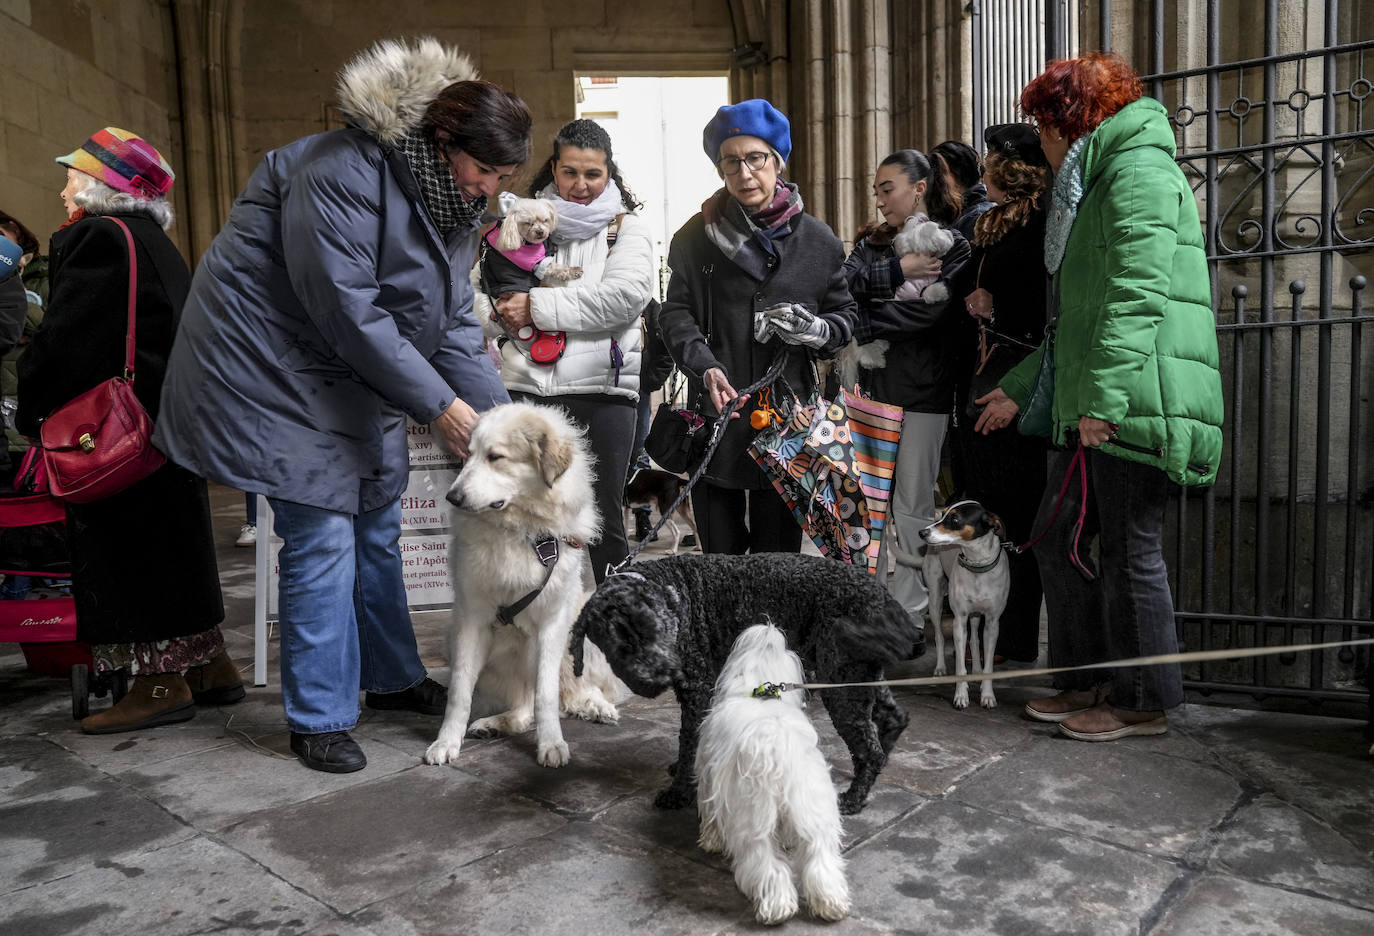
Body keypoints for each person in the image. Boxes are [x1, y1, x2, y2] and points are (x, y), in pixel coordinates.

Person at [155, 38, 528, 773]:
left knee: (376, 522)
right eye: (483, 170)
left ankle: (389, 678)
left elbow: (452, 319)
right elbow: (346, 310)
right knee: (323, 533)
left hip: (351, 369)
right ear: (441, 139)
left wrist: (500, 422)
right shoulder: (338, 171)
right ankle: (320, 714)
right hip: (270, 365)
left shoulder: (453, 197)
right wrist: (441, 409)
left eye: (502, 177)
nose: (488, 188)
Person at [976, 52, 1223, 740]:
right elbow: (1078, 321)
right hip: (1102, 397)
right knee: (1058, 539)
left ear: (1071, 121)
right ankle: (1086, 680)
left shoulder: (1138, 172)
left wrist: (1105, 402)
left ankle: (1141, 701)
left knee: (1127, 549)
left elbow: (1135, 298)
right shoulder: (1101, 176)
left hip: (1137, 401)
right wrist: (1022, 391)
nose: (1040, 140)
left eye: (1043, 124)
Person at [15, 127, 241, 733]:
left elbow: (70, 340)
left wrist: (30, 405)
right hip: (163, 424)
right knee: (175, 545)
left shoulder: (96, 236)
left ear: (102, 187)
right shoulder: (153, 240)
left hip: (116, 433)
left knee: (131, 555)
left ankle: (159, 683)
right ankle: (211, 666)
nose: (64, 189)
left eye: (73, 175)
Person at [658, 99, 858, 555]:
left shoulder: (819, 240)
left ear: (777, 161)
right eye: (732, 162)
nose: (745, 173)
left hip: (787, 421)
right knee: (720, 562)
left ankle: (775, 632)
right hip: (717, 413)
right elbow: (675, 314)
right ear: (721, 168)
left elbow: (845, 316)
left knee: (779, 561)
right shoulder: (695, 237)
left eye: (755, 158)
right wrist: (704, 367)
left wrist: (816, 330)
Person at [476, 118, 655, 582]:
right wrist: (499, 314)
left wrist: (533, 306)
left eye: (592, 174)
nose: (580, 185)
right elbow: (473, 297)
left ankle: (620, 631)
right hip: (526, 390)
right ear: (553, 169)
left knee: (603, 524)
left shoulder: (626, 230)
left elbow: (623, 300)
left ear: (609, 173)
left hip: (604, 394)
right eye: (570, 171)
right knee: (524, 524)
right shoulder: (519, 225)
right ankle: (537, 635)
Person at [842, 149, 970, 628]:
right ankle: (865, 605)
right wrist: (896, 273)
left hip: (923, 392)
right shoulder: (872, 244)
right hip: (868, 392)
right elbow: (839, 290)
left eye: (887, 188)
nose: (879, 201)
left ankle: (911, 614)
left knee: (914, 506)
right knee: (865, 505)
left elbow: (930, 315)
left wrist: (866, 319)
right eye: (876, 190)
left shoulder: (952, 245)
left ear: (919, 187)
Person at [949, 124, 1052, 663]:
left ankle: (1014, 639)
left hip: (1018, 383)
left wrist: (999, 309)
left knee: (1017, 511)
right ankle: (987, 633)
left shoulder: (1042, 222)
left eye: (991, 162)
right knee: (984, 500)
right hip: (982, 377)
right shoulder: (988, 224)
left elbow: (1049, 308)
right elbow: (964, 281)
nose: (983, 170)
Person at [931, 140, 992, 242]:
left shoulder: (976, 218)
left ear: (960, 174)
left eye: (939, 171)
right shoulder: (952, 211)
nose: (933, 179)